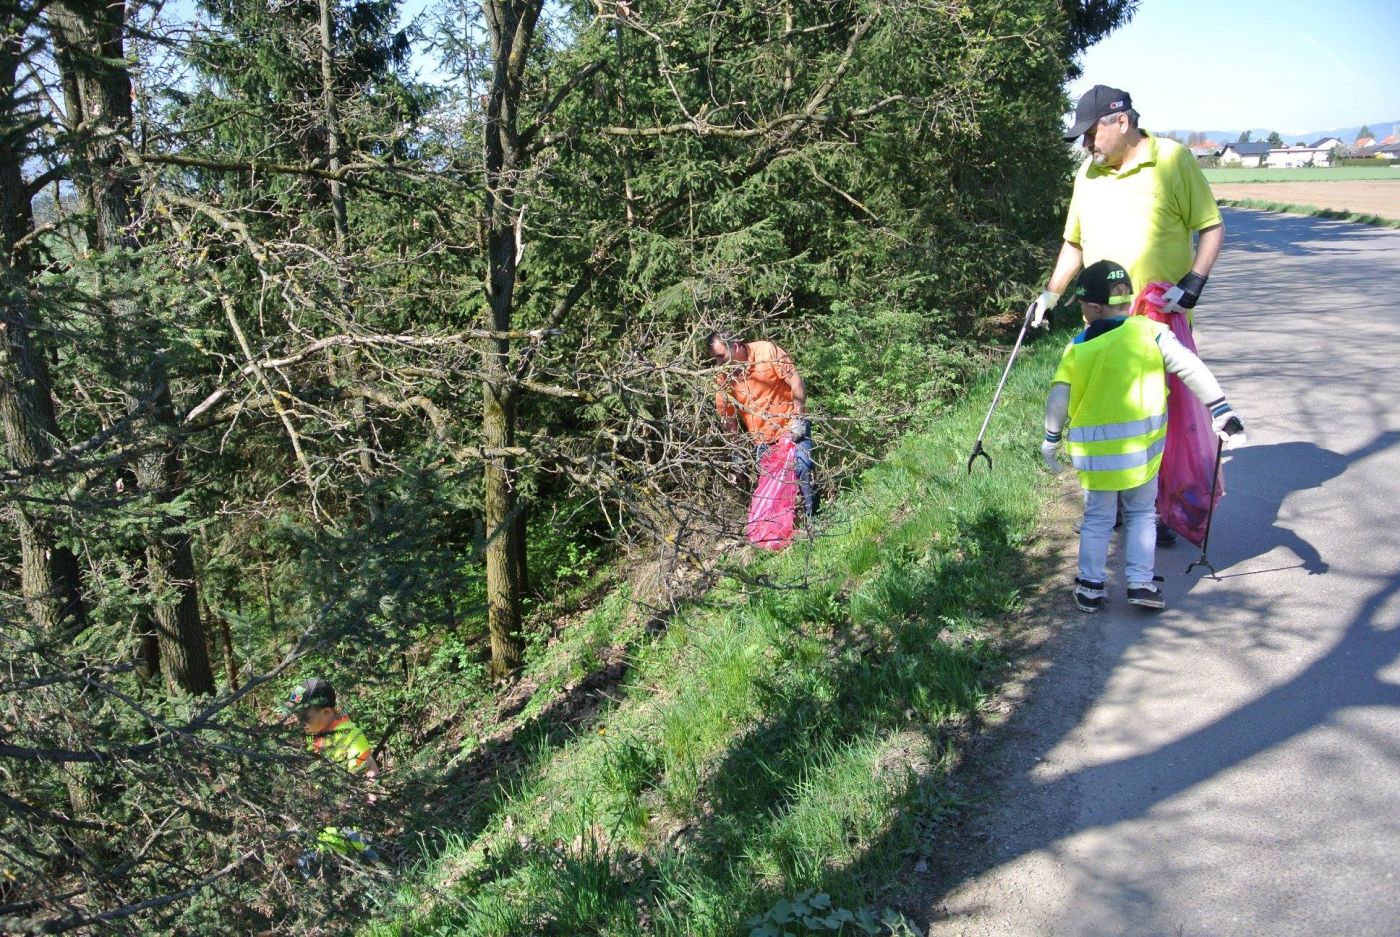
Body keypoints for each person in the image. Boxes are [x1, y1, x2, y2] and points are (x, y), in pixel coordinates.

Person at [1033, 84, 1225, 545]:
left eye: (1090, 134)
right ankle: (1112, 502)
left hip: (1159, 322)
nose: (1086, 144)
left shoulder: (1173, 160)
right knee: (1108, 414)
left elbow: (1211, 227)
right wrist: (1050, 295)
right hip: (1102, 324)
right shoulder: (1087, 175)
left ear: (1121, 122)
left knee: (1157, 416)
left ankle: (1159, 509)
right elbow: (1074, 243)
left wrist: (1193, 283)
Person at [1040, 260, 1246, 613]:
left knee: (1097, 519)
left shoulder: (1078, 347)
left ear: (1093, 307)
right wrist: (1220, 408)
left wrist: (1051, 439)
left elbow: (1059, 397)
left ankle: (1090, 585)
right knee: (1141, 515)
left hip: (1097, 458)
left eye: (1082, 307)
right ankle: (1140, 582)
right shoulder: (1151, 333)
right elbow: (1189, 366)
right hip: (1143, 453)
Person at [707, 330, 817, 517]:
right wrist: (736, 451)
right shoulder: (723, 378)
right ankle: (784, 528)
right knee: (773, 489)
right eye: (715, 358)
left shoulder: (766, 351)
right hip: (763, 440)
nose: (718, 362)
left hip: (791, 427)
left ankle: (814, 519)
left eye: (721, 356)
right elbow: (728, 417)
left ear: (735, 346)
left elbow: (796, 381)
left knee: (803, 468)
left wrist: (798, 419)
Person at [279, 677, 379, 871]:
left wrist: (370, 799)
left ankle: (380, 872)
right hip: (324, 814)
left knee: (310, 862)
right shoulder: (315, 733)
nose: (299, 722)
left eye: (304, 717)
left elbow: (369, 767)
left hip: (347, 814)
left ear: (326, 712)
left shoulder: (349, 735)